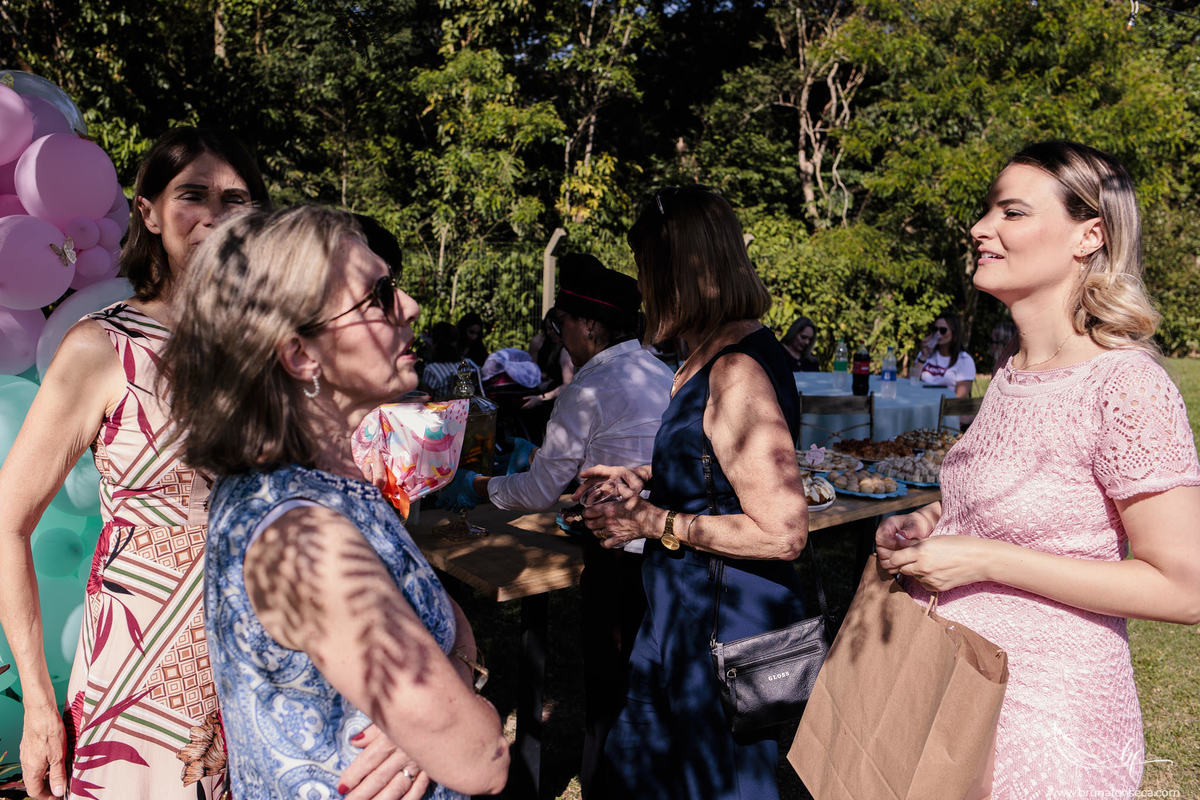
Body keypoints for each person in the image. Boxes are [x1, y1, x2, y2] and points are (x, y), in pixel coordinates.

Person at [876, 141, 1200, 798]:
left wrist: (984, 560)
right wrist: (928, 523)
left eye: (1012, 212)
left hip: (1045, 733)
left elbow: (1184, 588)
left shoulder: (1125, 386)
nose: (980, 227)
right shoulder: (1012, 375)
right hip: (948, 700)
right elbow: (1021, 508)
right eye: (988, 209)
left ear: (1091, 235)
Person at [162, 206, 509, 799]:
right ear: (300, 355)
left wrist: (439, 689)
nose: (410, 308)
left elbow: (445, 616)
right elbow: (481, 757)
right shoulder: (304, 535)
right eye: (378, 297)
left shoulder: (328, 486)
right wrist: (445, 708)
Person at [0, 127, 268, 800]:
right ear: (147, 212)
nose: (215, 214)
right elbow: (5, 525)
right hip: (143, 686)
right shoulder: (103, 349)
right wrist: (38, 705)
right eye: (193, 195)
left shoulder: (276, 356)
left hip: (266, 672)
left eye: (236, 199)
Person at [577, 187, 810, 800]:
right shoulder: (704, 354)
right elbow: (717, 463)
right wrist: (647, 475)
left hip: (723, 635)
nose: (642, 290)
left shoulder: (736, 369)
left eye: (647, 273)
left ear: (676, 274)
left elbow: (783, 532)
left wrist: (655, 522)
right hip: (675, 621)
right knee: (633, 776)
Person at [438, 254, 672, 798]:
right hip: (668, 547)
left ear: (588, 324)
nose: (560, 337)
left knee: (610, 696)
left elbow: (538, 490)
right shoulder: (660, 370)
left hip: (619, 556)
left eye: (561, 323)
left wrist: (475, 487)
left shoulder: (586, 388)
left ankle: (606, 787)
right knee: (653, 689)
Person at [914, 313, 976, 397]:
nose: (938, 334)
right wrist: (923, 356)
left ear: (954, 333)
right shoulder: (926, 353)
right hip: (922, 401)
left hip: (945, 407)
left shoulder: (964, 360)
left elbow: (960, 398)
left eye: (943, 330)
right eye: (935, 330)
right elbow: (912, 382)